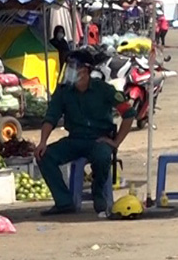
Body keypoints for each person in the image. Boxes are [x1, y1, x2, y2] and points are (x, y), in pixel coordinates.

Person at [34, 49, 136, 217]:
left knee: (103, 157)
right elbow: (50, 118)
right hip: (75, 140)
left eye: (74, 68)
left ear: (86, 71)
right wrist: (43, 142)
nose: (70, 72)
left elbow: (129, 114)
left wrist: (116, 142)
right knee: (43, 156)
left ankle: (98, 194)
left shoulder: (104, 89)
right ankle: (64, 202)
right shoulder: (64, 91)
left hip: (99, 140)